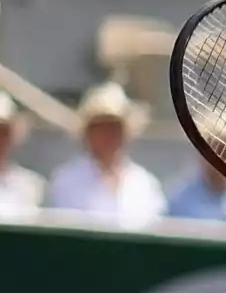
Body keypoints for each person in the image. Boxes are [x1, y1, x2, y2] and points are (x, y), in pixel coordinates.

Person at [47, 84, 166, 228]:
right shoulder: (66, 182)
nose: (109, 135)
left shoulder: (145, 185)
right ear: (87, 133)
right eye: (101, 128)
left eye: (115, 127)